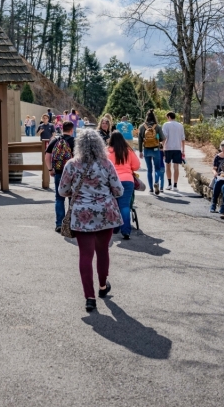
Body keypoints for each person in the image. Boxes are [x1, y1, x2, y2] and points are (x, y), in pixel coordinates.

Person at [57, 129, 124, 313]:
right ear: (99, 145)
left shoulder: (71, 165)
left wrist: (77, 193)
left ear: (79, 145)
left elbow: (62, 191)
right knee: (103, 251)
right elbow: (119, 191)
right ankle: (103, 286)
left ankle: (89, 297)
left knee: (85, 256)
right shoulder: (106, 164)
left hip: (82, 214)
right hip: (105, 214)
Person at [107, 131, 141, 240]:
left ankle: (115, 228)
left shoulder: (107, 152)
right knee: (125, 205)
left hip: (113, 181)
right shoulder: (129, 151)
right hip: (127, 180)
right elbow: (136, 166)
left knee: (114, 205)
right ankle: (126, 231)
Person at [45, 121, 76, 232]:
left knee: (59, 198)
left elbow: (47, 157)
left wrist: (50, 169)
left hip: (58, 172)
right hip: (72, 174)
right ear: (72, 130)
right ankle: (72, 223)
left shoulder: (55, 141)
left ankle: (59, 224)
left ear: (62, 129)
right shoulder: (74, 142)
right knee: (72, 198)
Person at [138, 110, 164, 194]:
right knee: (157, 168)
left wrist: (140, 151)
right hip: (156, 150)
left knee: (149, 169)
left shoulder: (142, 127)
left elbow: (139, 140)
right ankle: (156, 182)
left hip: (146, 150)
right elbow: (162, 138)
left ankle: (150, 189)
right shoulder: (158, 127)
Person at [162, 112, 186, 190]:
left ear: (168, 117)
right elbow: (183, 139)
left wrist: (162, 147)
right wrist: (183, 150)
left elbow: (164, 137)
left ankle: (169, 184)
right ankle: (175, 185)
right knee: (176, 167)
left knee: (167, 166)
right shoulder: (180, 125)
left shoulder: (166, 124)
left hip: (168, 148)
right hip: (177, 148)